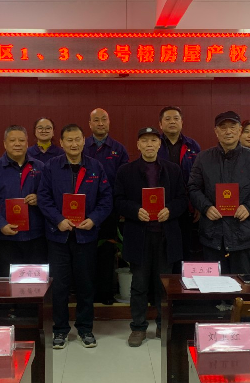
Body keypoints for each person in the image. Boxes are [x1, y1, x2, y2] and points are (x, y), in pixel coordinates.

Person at [39, 123, 113, 349]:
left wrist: (94, 219)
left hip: (85, 236)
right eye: (69, 140)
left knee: (85, 284)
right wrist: (58, 220)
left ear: (84, 141)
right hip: (58, 236)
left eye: (77, 139)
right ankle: (60, 330)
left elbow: (106, 199)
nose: (74, 144)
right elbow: (43, 197)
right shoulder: (51, 166)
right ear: (61, 143)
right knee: (59, 285)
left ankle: (85, 328)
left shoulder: (95, 167)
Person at [114, 127, 188, 347]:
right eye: (144, 141)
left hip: (166, 236)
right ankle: (138, 327)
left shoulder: (173, 170)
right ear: (138, 145)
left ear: (159, 144)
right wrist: (135, 211)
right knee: (139, 284)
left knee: (164, 285)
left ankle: (163, 325)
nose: (149, 144)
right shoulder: (126, 171)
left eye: (153, 140)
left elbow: (183, 199)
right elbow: (118, 200)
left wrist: (170, 210)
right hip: (139, 236)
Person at [188, 111, 250, 274]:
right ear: (216, 131)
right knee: (214, 284)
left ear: (239, 130)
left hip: (243, 233)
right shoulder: (203, 158)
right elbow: (193, 187)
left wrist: (249, 207)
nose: (228, 132)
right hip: (212, 233)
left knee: (243, 285)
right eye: (223, 127)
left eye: (232, 127)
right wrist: (206, 207)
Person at [0, 125, 47, 277]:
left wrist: (39, 198)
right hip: (6, 237)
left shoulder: (40, 167)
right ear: (5, 143)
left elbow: (50, 196)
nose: (17, 144)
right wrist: (0, 225)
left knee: (36, 281)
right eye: (12, 140)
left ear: (27, 143)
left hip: (36, 236)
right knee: (9, 281)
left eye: (21, 140)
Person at [84, 108, 129, 304]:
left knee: (107, 253)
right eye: (96, 120)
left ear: (109, 123)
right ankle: (87, 295)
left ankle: (105, 294)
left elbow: (124, 181)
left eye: (104, 119)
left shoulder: (119, 149)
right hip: (83, 211)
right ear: (90, 124)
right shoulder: (82, 146)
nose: (100, 123)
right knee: (86, 254)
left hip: (109, 211)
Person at [156, 105, 202, 265]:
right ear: (160, 124)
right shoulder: (155, 144)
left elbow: (199, 178)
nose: (172, 122)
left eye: (176, 118)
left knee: (185, 250)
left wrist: (198, 205)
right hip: (160, 208)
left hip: (186, 207)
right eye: (167, 119)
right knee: (162, 254)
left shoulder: (193, 146)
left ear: (182, 122)